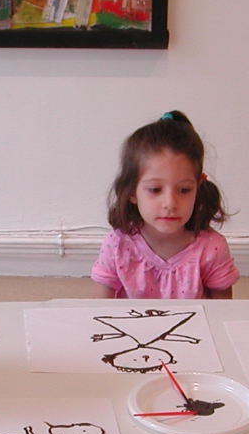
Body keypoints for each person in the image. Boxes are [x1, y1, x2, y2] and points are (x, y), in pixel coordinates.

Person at [91, 110, 239, 300]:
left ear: (198, 187)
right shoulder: (116, 245)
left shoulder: (212, 247)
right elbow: (100, 310)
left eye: (184, 190)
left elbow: (223, 311)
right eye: (155, 189)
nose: (170, 203)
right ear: (132, 191)